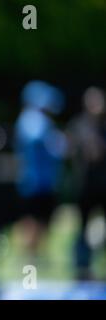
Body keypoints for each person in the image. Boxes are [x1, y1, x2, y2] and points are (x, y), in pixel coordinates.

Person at [13, 80, 66, 260]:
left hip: (45, 182)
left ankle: (35, 258)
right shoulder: (32, 119)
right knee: (32, 221)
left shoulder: (42, 121)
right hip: (33, 182)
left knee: (43, 222)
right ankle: (29, 260)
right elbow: (40, 140)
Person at [66, 86, 106, 279]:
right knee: (82, 228)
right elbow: (70, 151)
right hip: (84, 186)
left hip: (103, 185)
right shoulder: (78, 125)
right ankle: (82, 266)